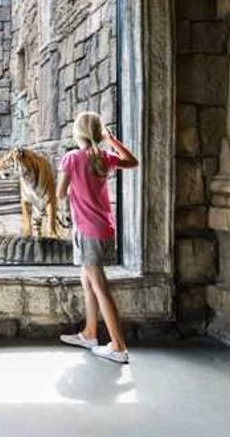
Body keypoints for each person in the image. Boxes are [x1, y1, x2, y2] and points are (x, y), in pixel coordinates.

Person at [56, 112, 138, 364]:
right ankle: (89, 334)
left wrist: (73, 189)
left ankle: (118, 346)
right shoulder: (104, 157)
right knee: (87, 281)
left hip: (87, 232)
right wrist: (112, 141)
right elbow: (132, 162)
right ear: (100, 133)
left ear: (77, 133)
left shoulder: (71, 158)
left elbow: (59, 193)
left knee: (100, 288)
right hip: (103, 229)